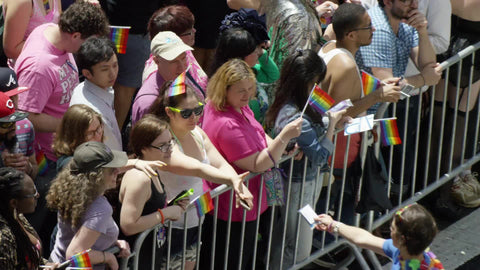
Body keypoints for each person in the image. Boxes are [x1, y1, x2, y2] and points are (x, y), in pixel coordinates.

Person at [14, 2, 109, 249]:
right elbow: (26, 115)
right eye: (87, 42)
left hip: (62, 150)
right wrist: (70, 125)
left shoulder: (48, 29)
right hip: (47, 161)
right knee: (43, 229)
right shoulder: (40, 65)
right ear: (75, 35)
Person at [201, 58, 303, 269]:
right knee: (232, 259)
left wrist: (280, 147)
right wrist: (284, 136)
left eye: (250, 88)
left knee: (251, 252)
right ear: (225, 90)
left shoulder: (239, 106)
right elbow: (257, 164)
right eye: (241, 90)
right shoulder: (226, 123)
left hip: (257, 197)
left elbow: (259, 133)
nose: (247, 94)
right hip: (234, 208)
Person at [121, 115, 253, 269]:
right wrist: (166, 213)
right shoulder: (140, 178)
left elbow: (146, 208)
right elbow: (128, 225)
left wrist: (170, 205)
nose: (170, 149)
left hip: (153, 252)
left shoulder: (154, 171)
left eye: (170, 142)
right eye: (162, 145)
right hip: (138, 258)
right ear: (144, 148)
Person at [318, 3, 401, 225]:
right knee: (333, 206)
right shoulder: (345, 64)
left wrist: (377, 86)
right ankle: (332, 245)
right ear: (352, 34)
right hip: (339, 154)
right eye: (368, 26)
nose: (373, 30)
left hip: (340, 151)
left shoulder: (330, 49)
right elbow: (338, 113)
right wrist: (378, 96)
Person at [266, 49, 348, 269]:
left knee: (284, 238)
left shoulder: (287, 103)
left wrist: (331, 123)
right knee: (299, 248)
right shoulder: (295, 115)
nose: (318, 88)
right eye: (315, 82)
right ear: (304, 82)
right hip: (297, 186)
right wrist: (332, 125)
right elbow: (320, 156)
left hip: (289, 181)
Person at [355, 0, 442, 197]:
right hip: (360, 122)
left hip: (379, 117)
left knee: (387, 176)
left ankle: (383, 218)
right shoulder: (378, 30)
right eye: (406, 0)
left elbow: (428, 64)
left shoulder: (404, 25)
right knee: (366, 184)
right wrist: (422, 79)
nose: (413, 5)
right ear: (387, 1)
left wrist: (422, 31)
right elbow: (387, 86)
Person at [48, 141, 131, 270]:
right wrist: (108, 257)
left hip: (55, 262)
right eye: (111, 169)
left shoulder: (70, 190)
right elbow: (74, 254)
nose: (117, 171)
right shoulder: (101, 209)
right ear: (96, 176)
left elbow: (79, 234)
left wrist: (112, 243)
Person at [314, 203, 445, 270]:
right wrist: (333, 225)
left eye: (393, 229)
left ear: (402, 239)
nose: (389, 230)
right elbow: (363, 239)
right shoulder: (406, 252)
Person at [101, 0, 166, 130]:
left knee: (116, 85)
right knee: (119, 87)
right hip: (122, 31)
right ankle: (113, 136)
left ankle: (112, 135)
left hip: (123, 29)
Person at [143, 4, 208, 98]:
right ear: (173, 38)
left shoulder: (185, 51)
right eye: (189, 32)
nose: (195, 31)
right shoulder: (159, 70)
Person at [70, 36, 122, 151]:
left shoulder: (82, 88)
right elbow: (112, 155)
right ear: (87, 73)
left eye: (115, 65)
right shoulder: (96, 114)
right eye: (105, 69)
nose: (112, 73)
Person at [0, 167, 59, 269]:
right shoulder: (3, 239)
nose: (37, 195)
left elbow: (33, 258)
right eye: (32, 193)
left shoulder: (19, 216)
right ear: (14, 203)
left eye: (35, 189)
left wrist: (46, 265)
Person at [131, 31, 193, 126]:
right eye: (173, 61)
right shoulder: (149, 103)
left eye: (184, 58)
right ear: (156, 61)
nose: (181, 67)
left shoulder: (175, 79)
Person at [0, 68, 37, 179]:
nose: (14, 103)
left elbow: (40, 168)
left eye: (16, 96)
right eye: (8, 98)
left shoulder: (26, 126)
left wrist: (28, 168)